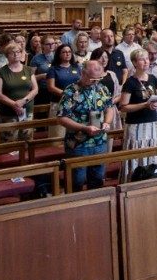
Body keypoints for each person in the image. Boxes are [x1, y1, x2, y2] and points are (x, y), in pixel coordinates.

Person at [57, 60, 116, 190]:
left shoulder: (102, 88)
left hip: (99, 141)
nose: (96, 82)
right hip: (78, 143)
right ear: (83, 73)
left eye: (98, 79)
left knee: (98, 179)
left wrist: (107, 122)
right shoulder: (71, 91)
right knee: (77, 180)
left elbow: (110, 108)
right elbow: (61, 118)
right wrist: (84, 128)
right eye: (93, 79)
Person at [118, 49, 157, 182]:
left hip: (152, 122)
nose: (146, 62)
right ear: (134, 63)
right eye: (142, 59)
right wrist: (143, 105)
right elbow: (123, 106)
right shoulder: (130, 82)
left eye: (147, 59)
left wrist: (156, 104)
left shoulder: (153, 79)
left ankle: (152, 179)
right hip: (136, 125)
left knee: (151, 152)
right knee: (137, 155)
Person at [0, 43, 38, 142]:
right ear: (7, 56)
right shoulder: (1, 72)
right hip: (9, 113)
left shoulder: (28, 70)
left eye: (18, 52)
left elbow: (35, 89)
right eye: (12, 53)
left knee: (27, 141)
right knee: (9, 142)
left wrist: (23, 101)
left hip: (27, 111)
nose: (16, 54)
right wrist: (15, 104)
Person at [46, 44, 82, 138]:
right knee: (57, 134)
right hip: (58, 103)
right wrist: (67, 94)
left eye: (69, 52)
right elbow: (51, 87)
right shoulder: (53, 69)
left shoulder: (76, 67)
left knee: (74, 133)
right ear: (59, 54)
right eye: (64, 52)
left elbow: (81, 83)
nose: (67, 54)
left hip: (75, 104)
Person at [89, 47, 124, 130]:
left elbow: (119, 94)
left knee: (110, 138)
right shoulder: (89, 76)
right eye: (101, 57)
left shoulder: (112, 74)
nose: (104, 60)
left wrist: (110, 102)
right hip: (94, 111)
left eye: (106, 57)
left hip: (110, 110)